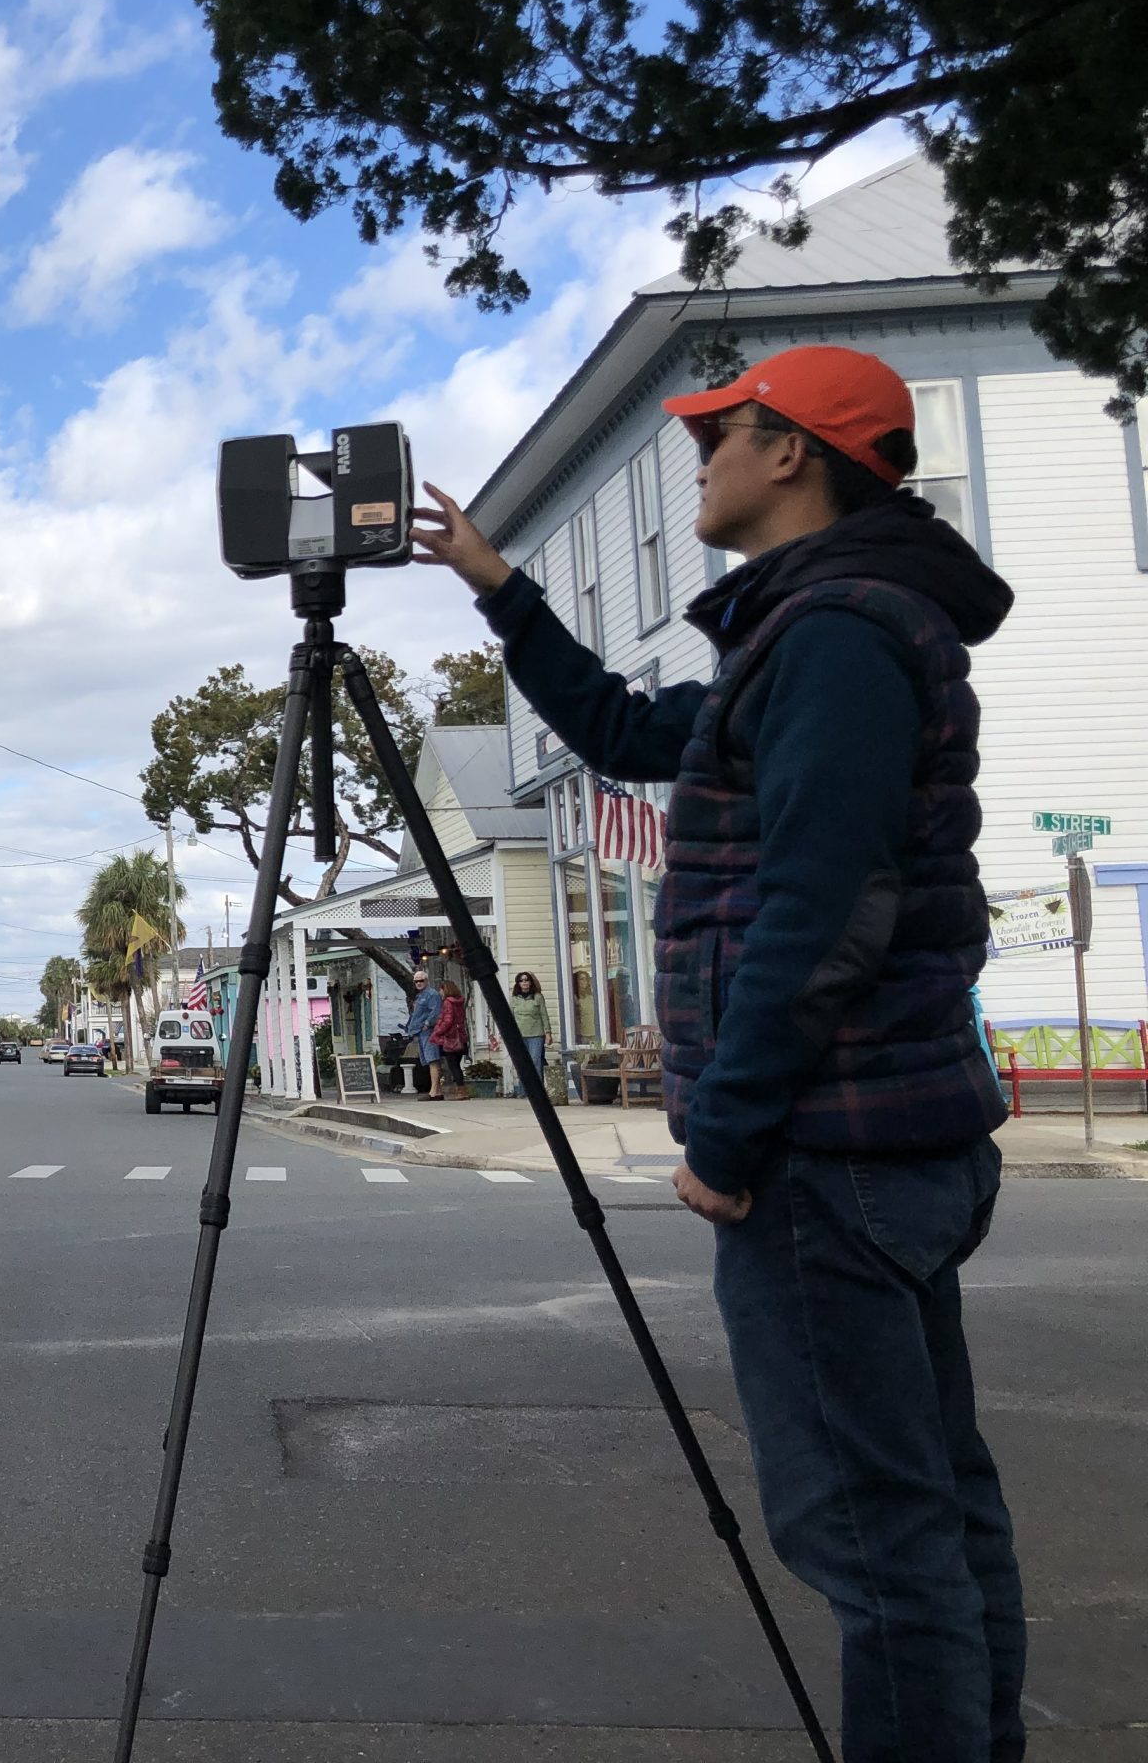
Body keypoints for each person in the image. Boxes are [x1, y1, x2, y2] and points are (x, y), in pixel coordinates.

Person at [414, 344, 1020, 1763]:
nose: (698, 462)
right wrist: (501, 590)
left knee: (874, 1535)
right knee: (931, 1509)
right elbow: (628, 731)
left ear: (792, 451)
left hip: (829, 1147)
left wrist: (729, 1132)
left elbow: (824, 907)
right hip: (882, 1132)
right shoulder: (810, 633)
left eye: (717, 438)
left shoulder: (836, 637)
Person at [506, 970, 552, 1093]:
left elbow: (544, 1015)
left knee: (535, 1061)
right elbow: (510, 1018)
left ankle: (537, 1091)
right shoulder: (514, 999)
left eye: (527, 980)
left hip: (536, 1035)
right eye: (521, 980)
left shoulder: (538, 997)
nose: (524, 982)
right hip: (519, 1036)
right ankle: (524, 1090)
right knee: (522, 1063)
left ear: (531, 982)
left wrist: (548, 1033)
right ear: (518, 983)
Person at [400, 968, 443, 1099]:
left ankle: (433, 1091)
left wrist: (427, 1024)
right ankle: (438, 1091)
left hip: (428, 1031)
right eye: (416, 981)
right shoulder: (420, 996)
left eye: (421, 981)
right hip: (419, 1032)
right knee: (428, 1060)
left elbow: (435, 1011)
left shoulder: (432, 994)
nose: (418, 983)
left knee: (432, 1059)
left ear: (427, 981)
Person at [432, 980, 471, 1098]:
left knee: (453, 1066)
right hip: (461, 1037)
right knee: (457, 1065)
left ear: (445, 990)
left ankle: (461, 1091)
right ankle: (461, 1089)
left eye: (441, 989)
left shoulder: (447, 1003)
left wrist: (438, 1031)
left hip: (451, 1038)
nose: (440, 992)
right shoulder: (459, 1002)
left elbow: (447, 1021)